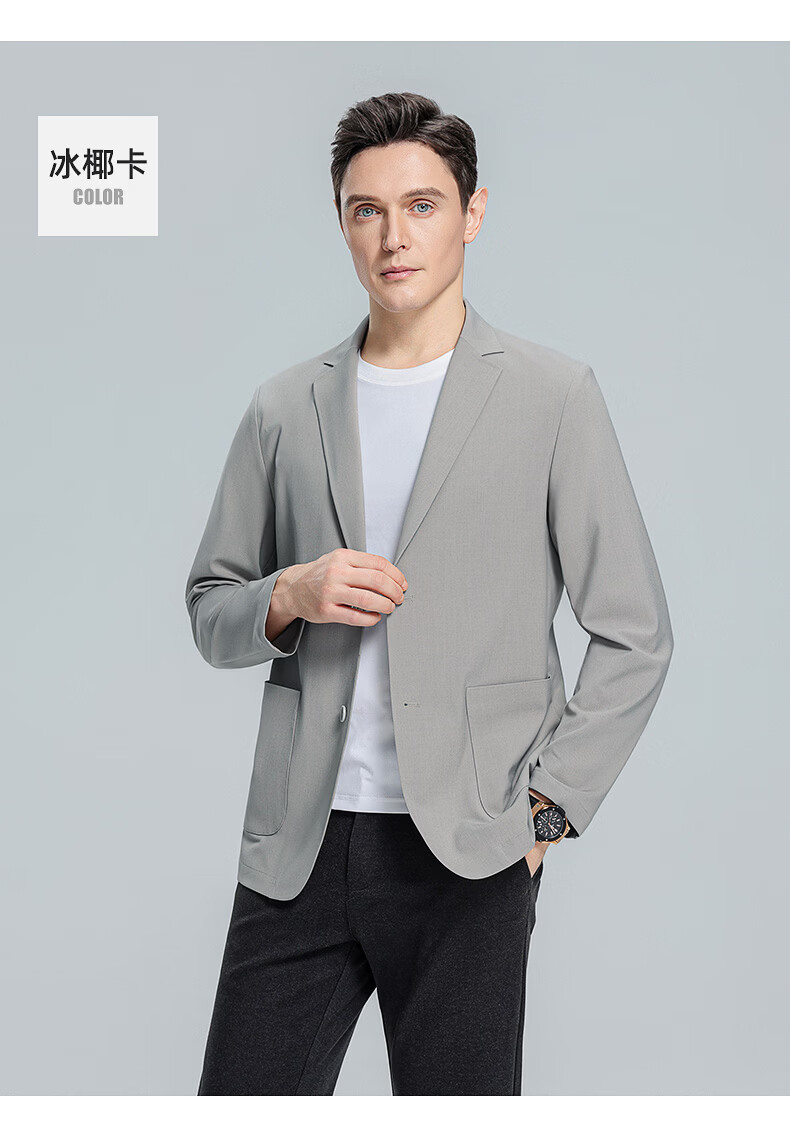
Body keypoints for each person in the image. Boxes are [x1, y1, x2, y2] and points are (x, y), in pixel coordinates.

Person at [186, 91, 674, 1096]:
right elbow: (210, 608)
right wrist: (291, 591)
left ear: (472, 212)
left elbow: (636, 634)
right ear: (340, 222)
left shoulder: (551, 396)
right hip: (299, 845)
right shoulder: (284, 407)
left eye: (421, 205)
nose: (393, 237)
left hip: (470, 850)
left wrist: (545, 815)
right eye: (366, 210)